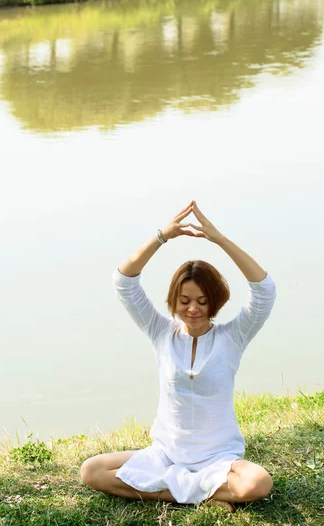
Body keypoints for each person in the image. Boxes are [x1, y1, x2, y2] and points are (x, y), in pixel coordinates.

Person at [80, 200, 276, 512]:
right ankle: (203, 496)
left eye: (202, 301)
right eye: (184, 300)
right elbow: (124, 282)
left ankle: (178, 490)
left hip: (218, 458)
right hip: (167, 454)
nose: (193, 309)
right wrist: (163, 236)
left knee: (258, 483)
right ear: (174, 299)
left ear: (216, 301)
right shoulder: (160, 332)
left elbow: (264, 291)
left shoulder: (233, 336)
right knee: (91, 471)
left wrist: (219, 239)